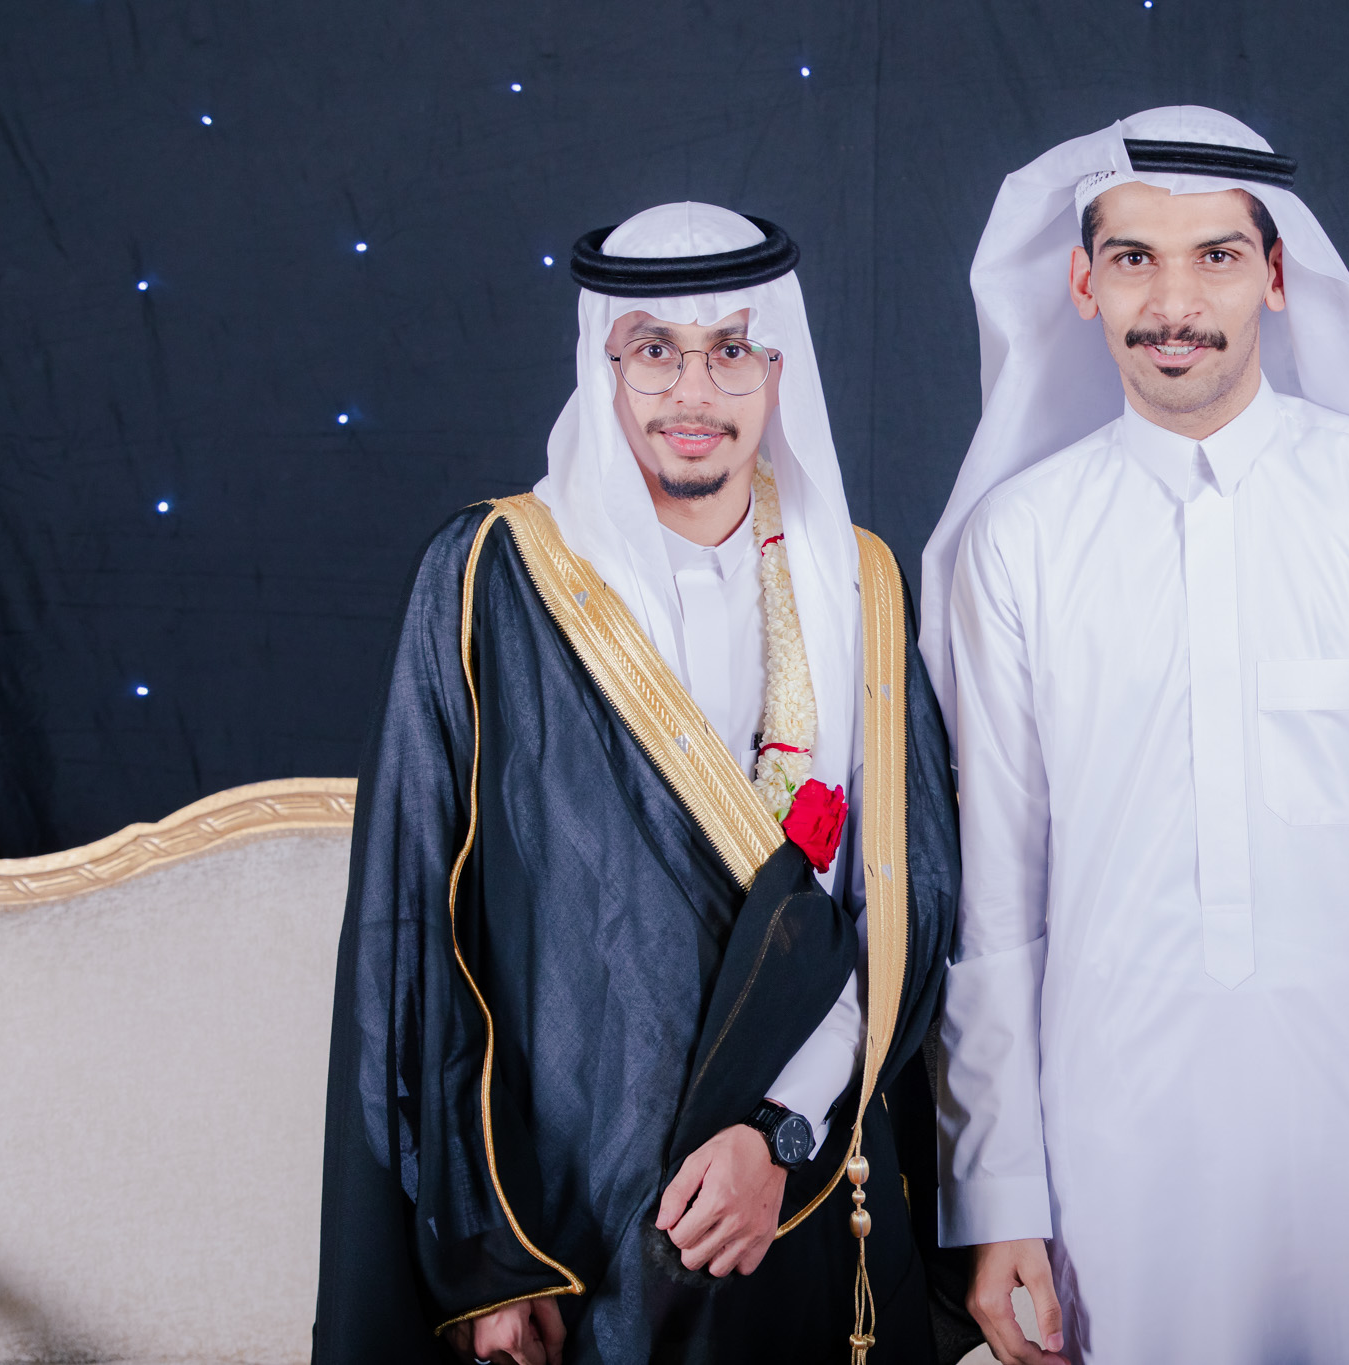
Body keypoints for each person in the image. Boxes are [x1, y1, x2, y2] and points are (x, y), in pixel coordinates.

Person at [920, 108, 1349, 1363]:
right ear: (1079, 281)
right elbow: (998, 902)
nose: (1173, 302)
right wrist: (1000, 1194)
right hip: (1120, 1165)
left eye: (1216, 257)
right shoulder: (1015, 542)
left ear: (1276, 276)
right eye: (1133, 258)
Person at [314, 202, 961, 1365]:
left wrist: (782, 1132)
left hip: (795, 1191)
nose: (693, 392)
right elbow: (417, 929)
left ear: (777, 370)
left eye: (730, 350)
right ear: (604, 365)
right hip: (565, 1220)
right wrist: (492, 1258)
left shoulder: (856, 584)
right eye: (654, 350)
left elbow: (900, 907)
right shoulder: (491, 576)